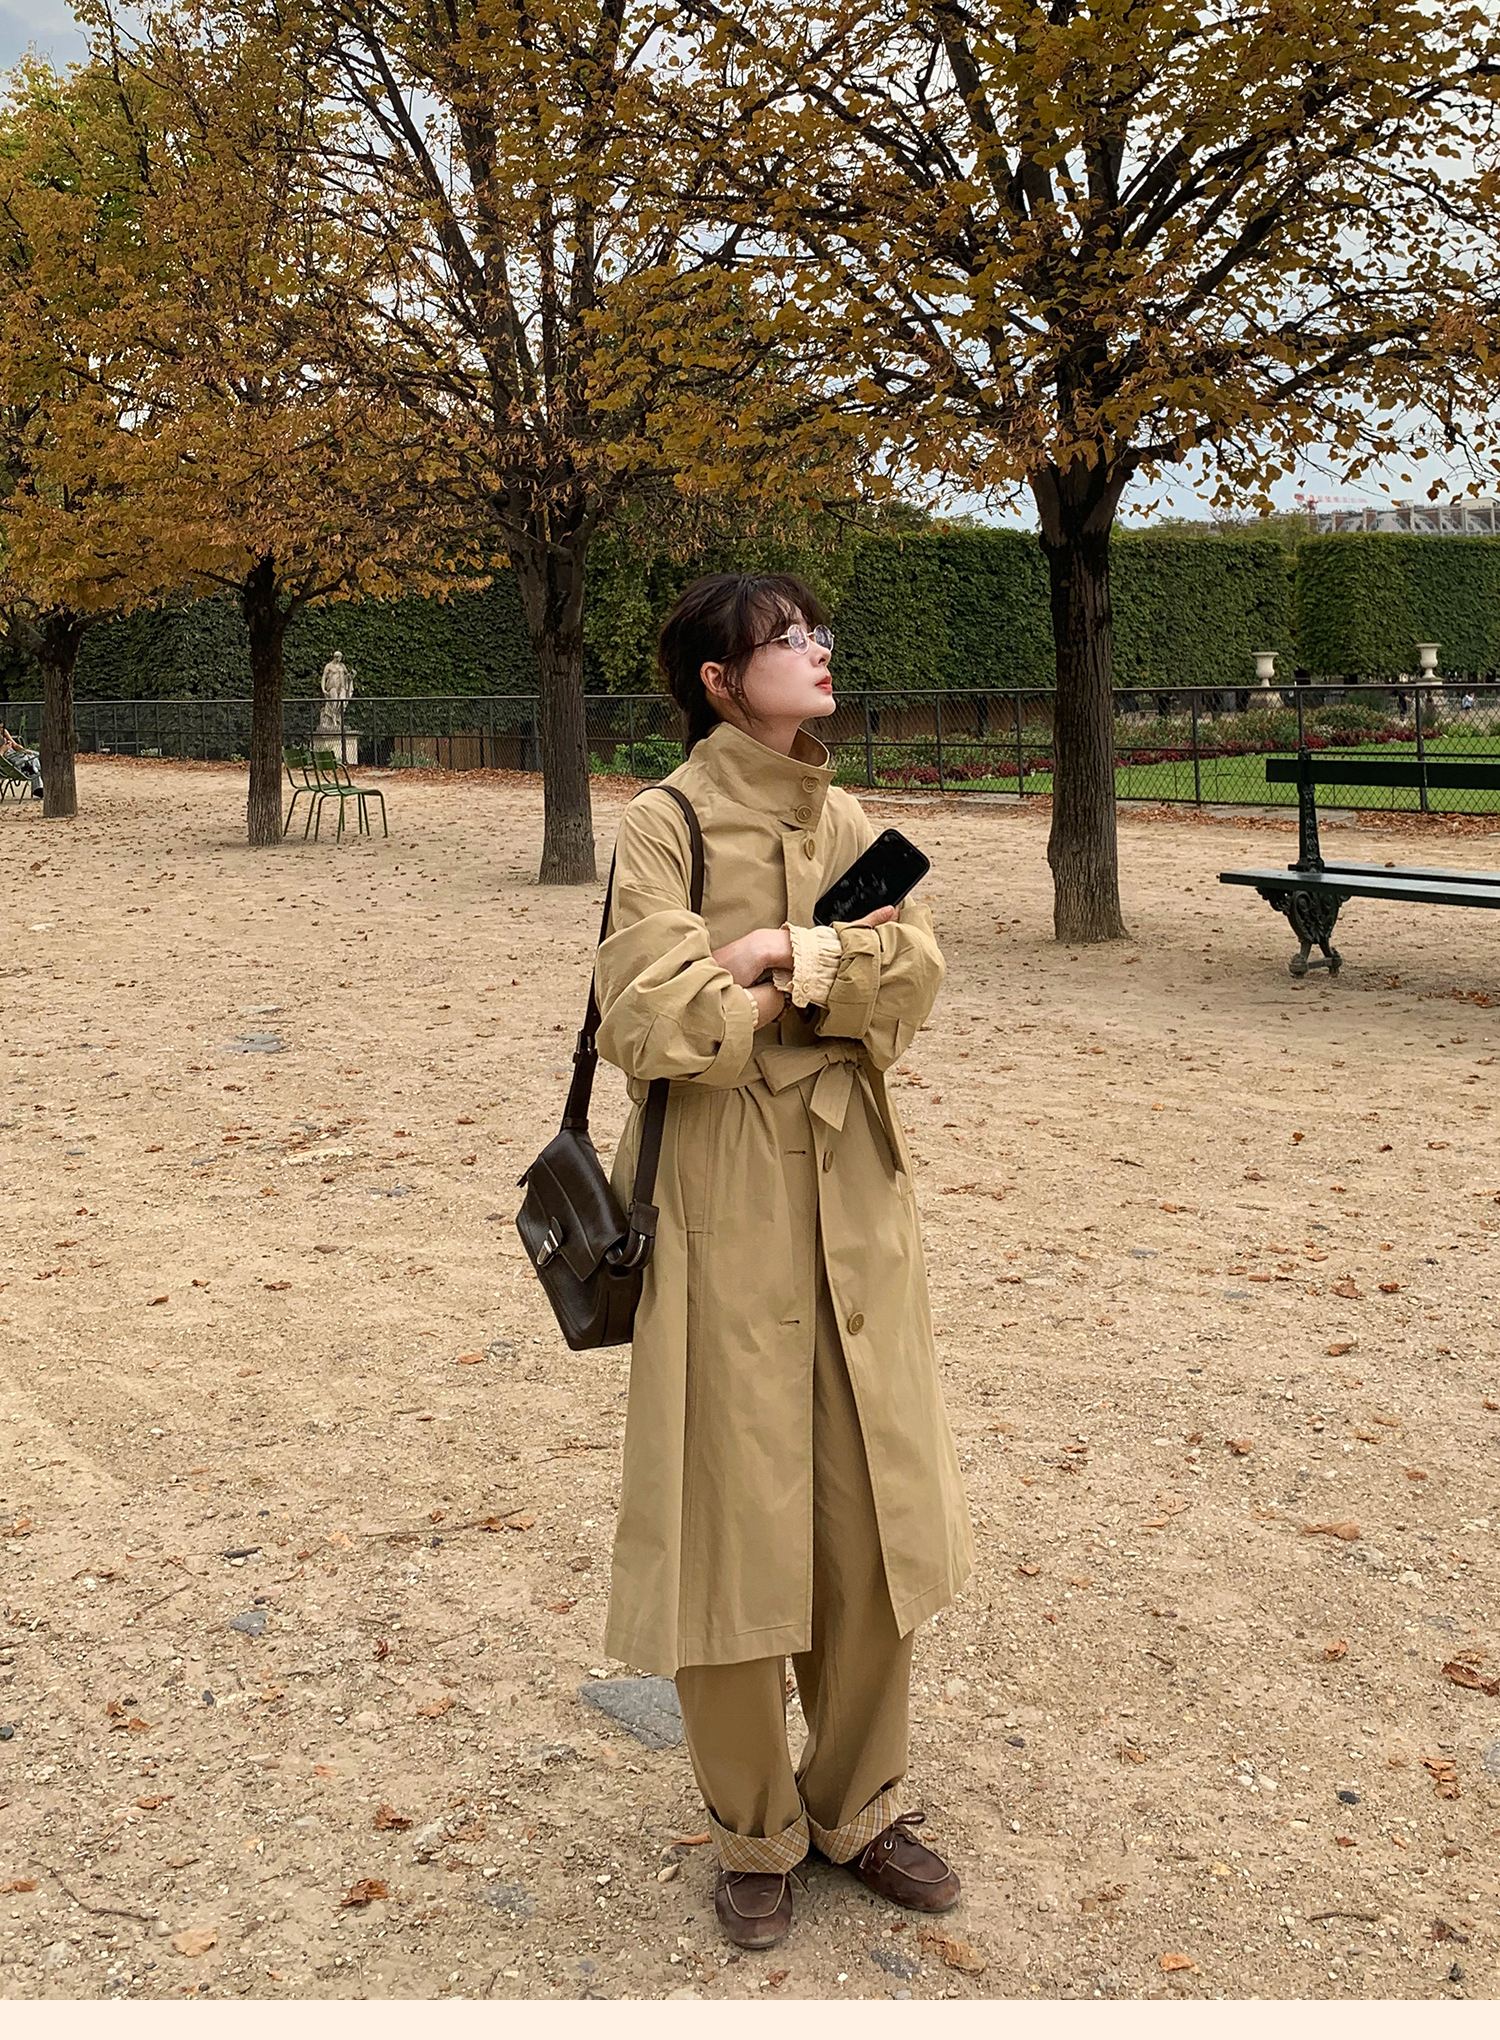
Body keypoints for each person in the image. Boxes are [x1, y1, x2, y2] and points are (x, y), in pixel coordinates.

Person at [593, 572, 974, 1951]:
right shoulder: (665, 822)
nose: (817, 651)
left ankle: (859, 1806)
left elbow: (913, 982)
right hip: (722, 1190)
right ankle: (753, 1826)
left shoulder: (853, 821)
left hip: (853, 1186)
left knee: (871, 1508)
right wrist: (791, 981)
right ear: (718, 678)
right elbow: (650, 1021)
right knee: (732, 1513)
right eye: (785, 638)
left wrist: (778, 956)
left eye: (816, 631)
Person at [0, 724, 42, 797]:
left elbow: (15, 745)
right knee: (30, 759)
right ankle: (35, 777)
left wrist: (24, 750)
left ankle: (33, 771)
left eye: (1, 727)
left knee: (37, 755)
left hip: (16, 753)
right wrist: (3, 749)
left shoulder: (3, 732)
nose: (0, 730)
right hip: (8, 759)